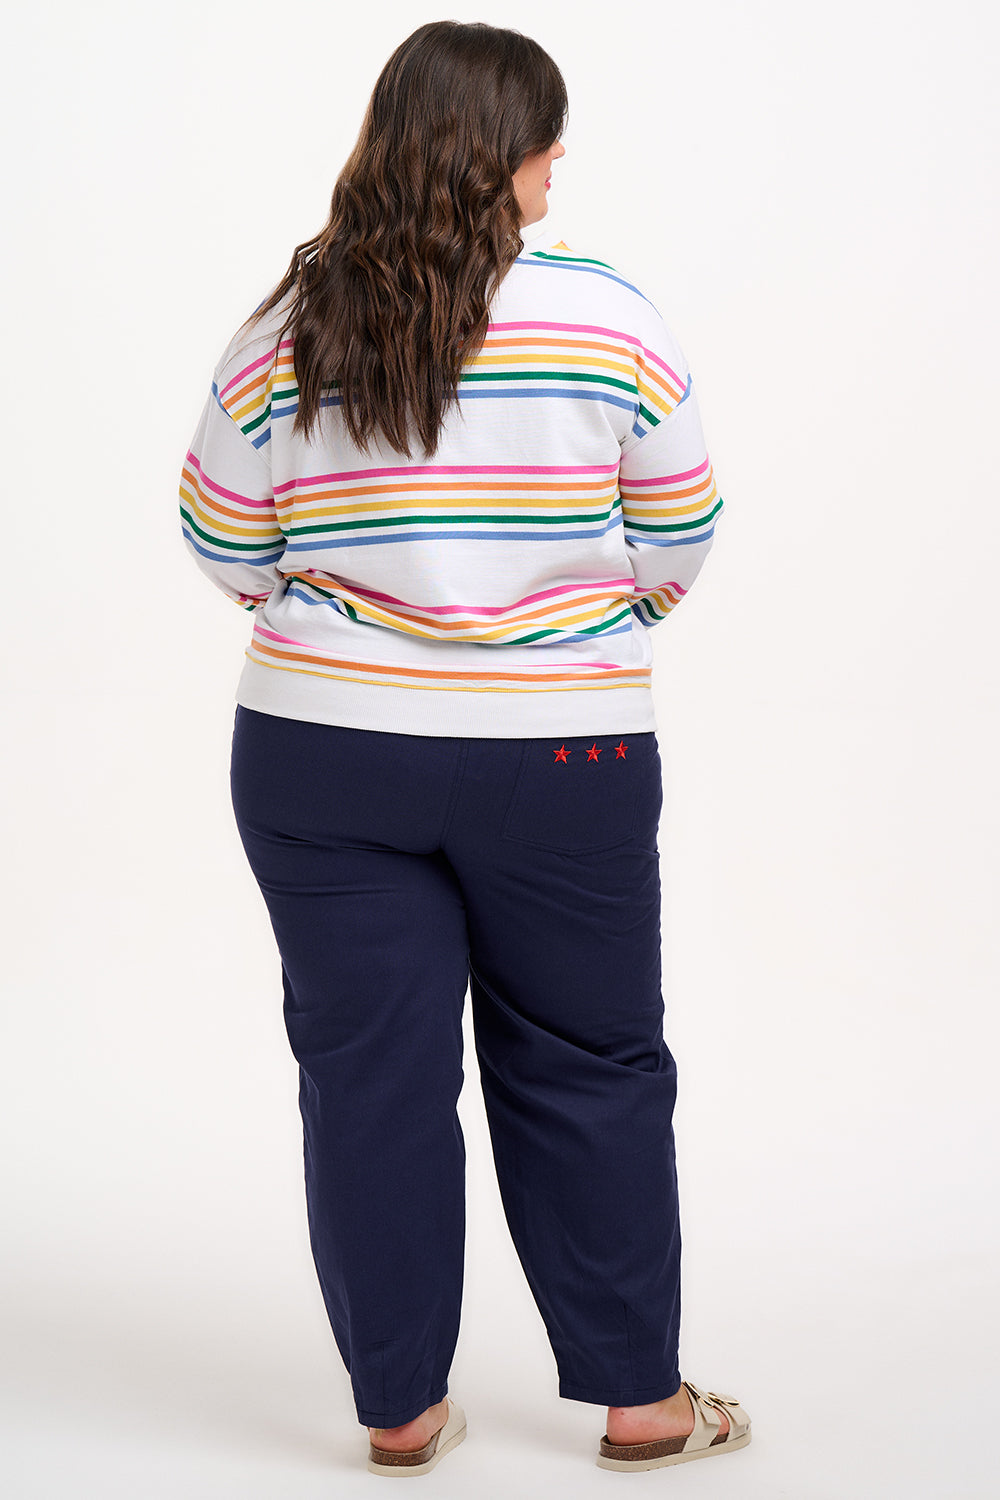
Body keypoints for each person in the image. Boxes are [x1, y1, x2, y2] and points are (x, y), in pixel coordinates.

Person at [178, 18, 751, 1479]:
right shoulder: (608, 314)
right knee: (592, 1059)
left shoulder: (289, 323)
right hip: (562, 756)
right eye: (554, 136)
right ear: (511, 153)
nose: (564, 162)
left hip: (323, 752)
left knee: (368, 1072)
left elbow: (221, 537)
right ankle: (640, 1406)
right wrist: (584, 622)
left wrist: (349, 617)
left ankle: (399, 1414)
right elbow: (680, 524)